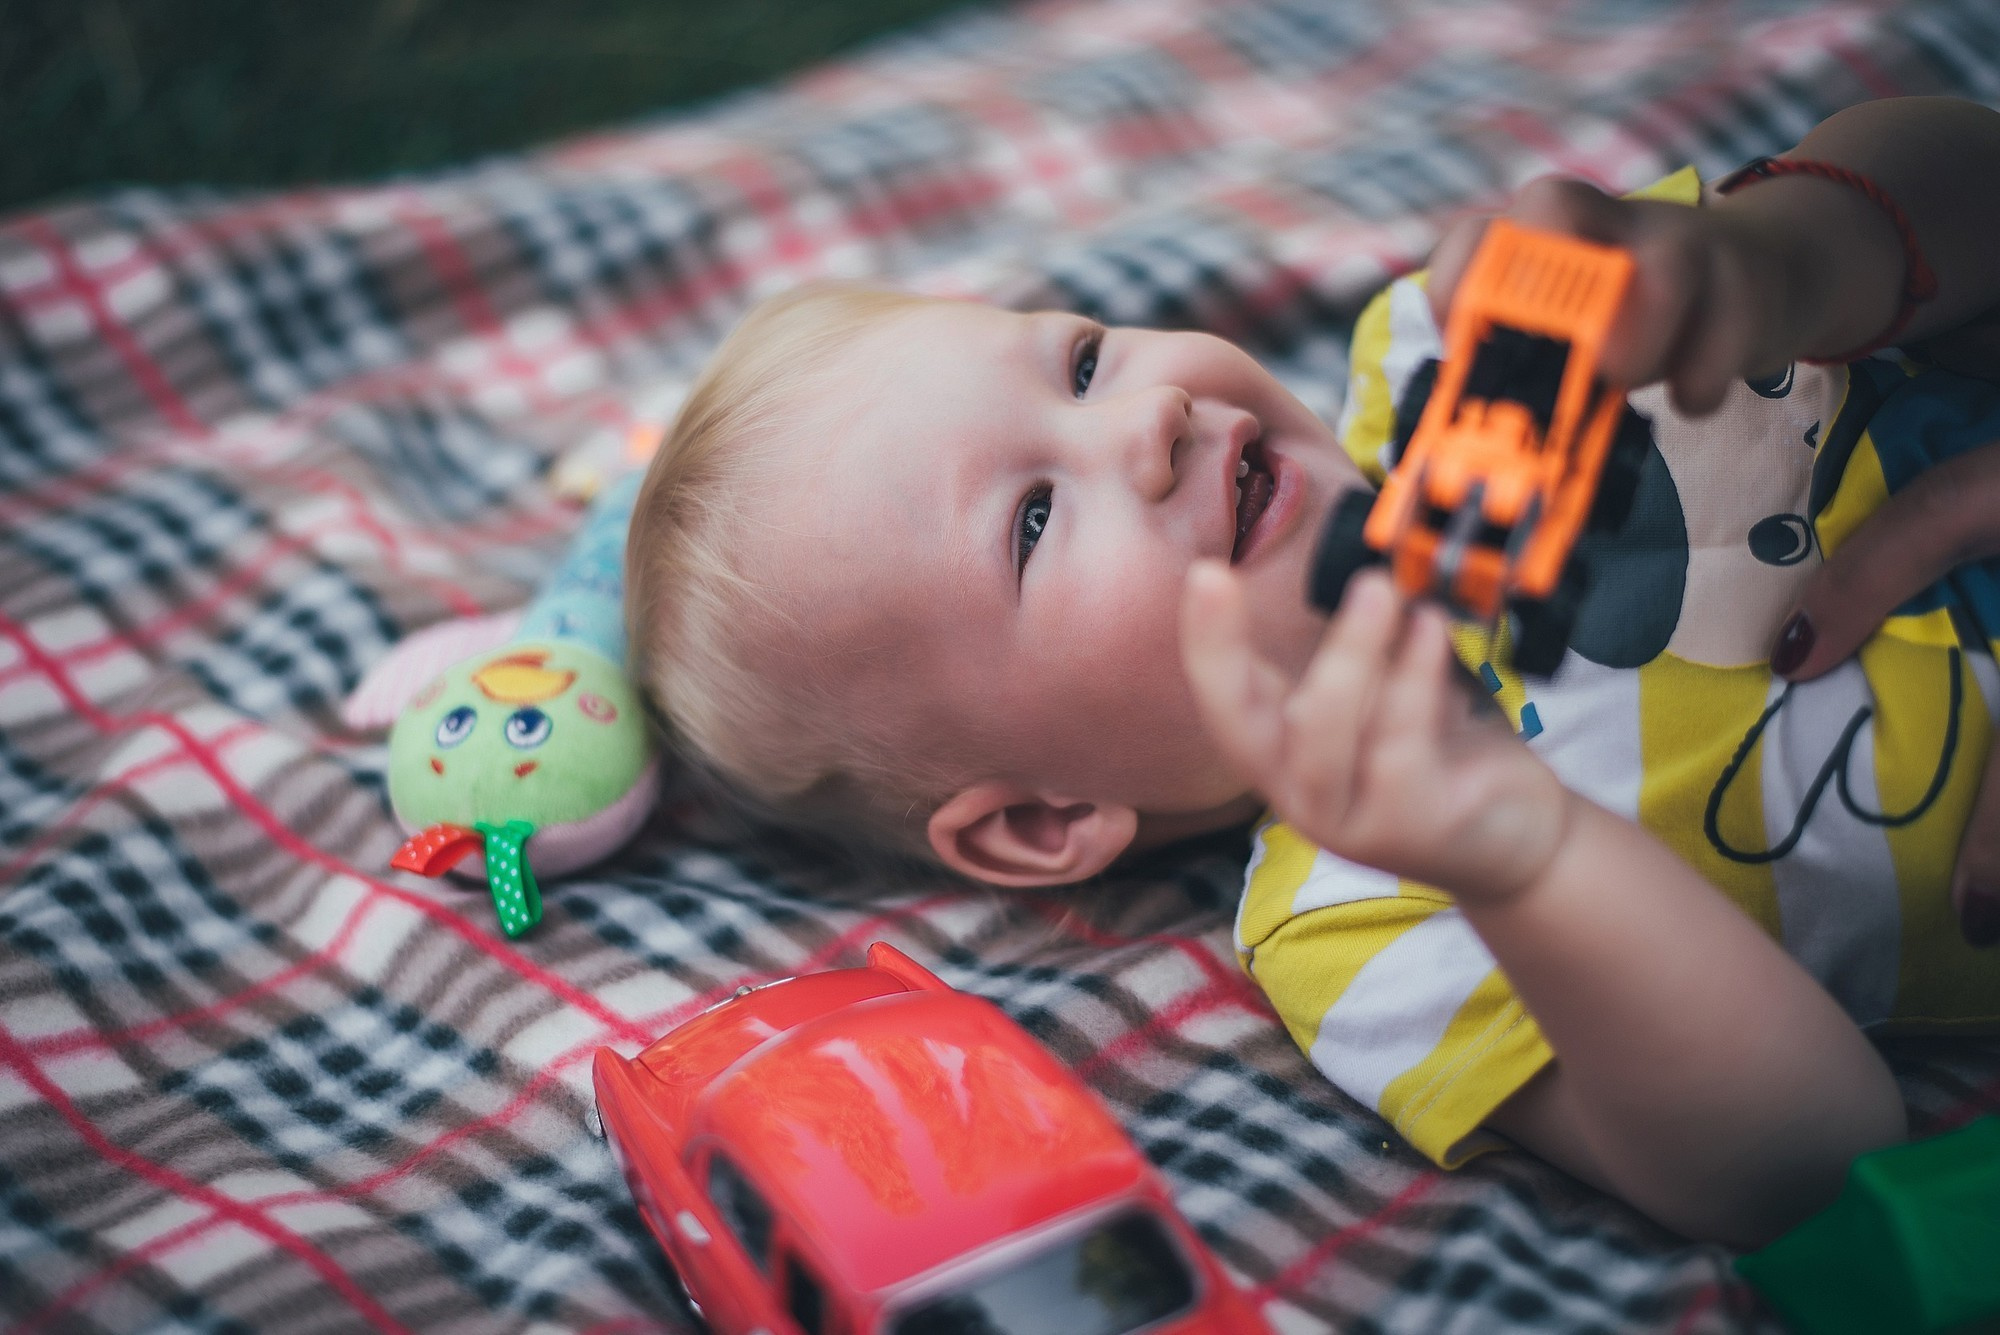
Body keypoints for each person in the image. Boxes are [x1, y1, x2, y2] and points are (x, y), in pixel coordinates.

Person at [625, 95, 2000, 1248]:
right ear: (1045, 819)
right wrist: (1522, 859)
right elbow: (1803, 1162)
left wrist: (1778, 259)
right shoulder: (1361, 917)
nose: (1152, 418)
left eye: (1086, 362)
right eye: (1034, 519)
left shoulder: (1462, 354)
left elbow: (1966, 163)